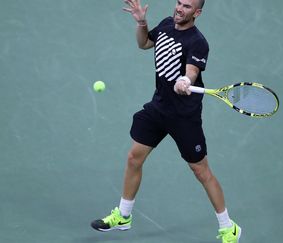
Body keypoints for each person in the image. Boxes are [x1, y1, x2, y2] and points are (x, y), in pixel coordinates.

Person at [91, 0, 241, 242]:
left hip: (184, 118)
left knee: (201, 171)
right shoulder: (165, 25)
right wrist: (141, 22)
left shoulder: (198, 42)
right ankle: (124, 215)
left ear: (197, 13)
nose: (180, 8)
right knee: (134, 157)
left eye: (187, 6)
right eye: (179, 3)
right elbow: (144, 44)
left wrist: (186, 80)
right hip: (159, 108)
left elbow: (192, 70)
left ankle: (228, 227)